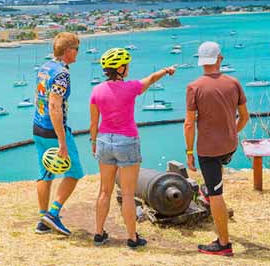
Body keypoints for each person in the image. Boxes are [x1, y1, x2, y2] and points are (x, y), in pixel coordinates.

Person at [89, 47, 175, 247]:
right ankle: (132, 238)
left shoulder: (97, 90)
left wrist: (94, 143)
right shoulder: (131, 87)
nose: (128, 68)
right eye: (126, 65)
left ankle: (99, 234)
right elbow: (152, 78)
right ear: (120, 68)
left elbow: (93, 123)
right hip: (127, 141)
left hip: (104, 141)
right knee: (128, 194)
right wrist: (166, 70)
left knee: (104, 191)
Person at [185, 41, 250, 257]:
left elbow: (189, 124)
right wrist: (233, 132)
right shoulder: (234, 83)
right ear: (219, 58)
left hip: (209, 150)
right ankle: (207, 191)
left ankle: (223, 244)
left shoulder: (194, 87)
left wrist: (189, 152)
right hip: (228, 146)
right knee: (214, 179)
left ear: (201, 62)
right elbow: (244, 117)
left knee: (216, 194)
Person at [33, 32, 83, 236]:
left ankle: (43, 220)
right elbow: (55, 106)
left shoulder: (45, 67)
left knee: (45, 173)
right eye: (77, 49)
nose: (78, 53)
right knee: (74, 173)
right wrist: (62, 140)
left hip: (38, 127)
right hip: (54, 131)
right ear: (69, 51)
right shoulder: (62, 73)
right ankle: (53, 214)